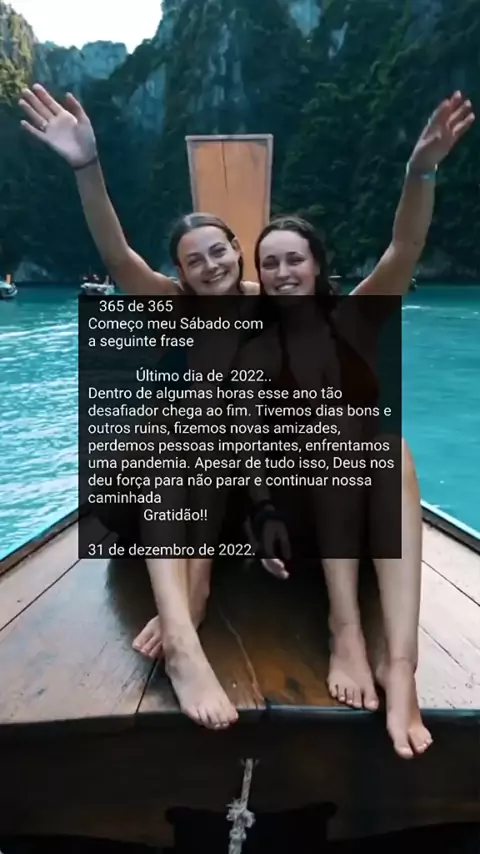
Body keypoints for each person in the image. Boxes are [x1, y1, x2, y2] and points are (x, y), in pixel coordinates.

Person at [240, 90, 474, 759]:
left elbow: (405, 246)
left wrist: (420, 171)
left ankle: (401, 667)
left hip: (357, 505)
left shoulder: (354, 318)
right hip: (295, 519)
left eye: (294, 259)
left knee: (388, 449)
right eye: (269, 263)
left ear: (318, 266)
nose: (282, 271)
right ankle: (345, 631)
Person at [18, 83, 259, 730]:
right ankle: (183, 638)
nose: (210, 265)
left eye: (218, 250)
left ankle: (195, 595)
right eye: (193, 260)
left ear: (238, 250)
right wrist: (86, 165)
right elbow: (116, 254)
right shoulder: (171, 307)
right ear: (179, 275)